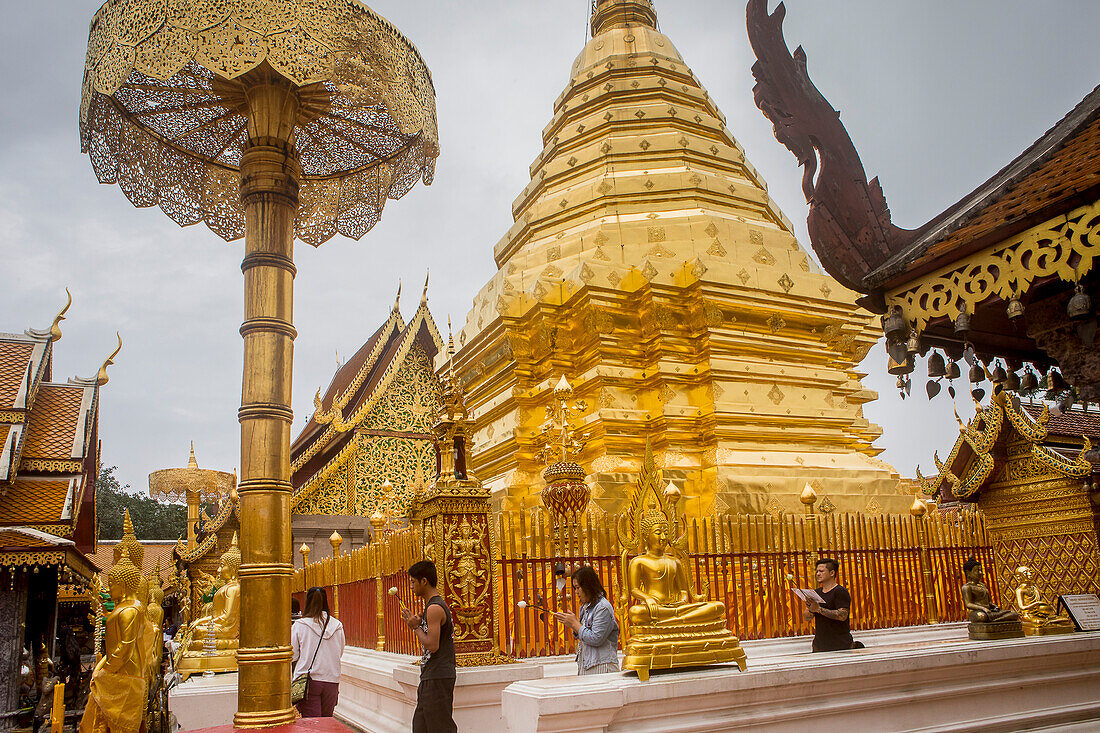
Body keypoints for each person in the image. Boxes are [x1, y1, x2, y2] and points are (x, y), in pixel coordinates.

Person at [402, 560, 456, 733]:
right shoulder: (431, 607)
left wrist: (415, 627)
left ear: (424, 581)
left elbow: (432, 645)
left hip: (438, 675)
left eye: (412, 581)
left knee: (440, 727)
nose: (411, 586)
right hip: (430, 675)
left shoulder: (434, 608)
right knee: (421, 727)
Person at [553, 565, 620, 675]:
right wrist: (573, 624)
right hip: (587, 665)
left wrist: (575, 624)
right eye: (574, 588)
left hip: (601, 666)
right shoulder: (585, 607)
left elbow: (596, 638)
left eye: (578, 587)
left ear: (588, 586)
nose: (576, 592)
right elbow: (583, 634)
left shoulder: (602, 607)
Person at [291, 587, 345, 717]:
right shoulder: (337, 625)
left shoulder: (300, 625)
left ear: (308, 602)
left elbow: (293, 655)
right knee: (326, 722)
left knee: (312, 724)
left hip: (309, 681)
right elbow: (340, 651)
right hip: (332, 680)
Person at [803, 557, 862, 652]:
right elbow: (807, 617)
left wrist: (819, 609)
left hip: (840, 644)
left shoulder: (840, 591)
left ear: (832, 573)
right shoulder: (816, 592)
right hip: (820, 644)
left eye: (821, 571)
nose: (818, 574)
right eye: (817, 571)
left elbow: (842, 615)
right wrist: (810, 608)